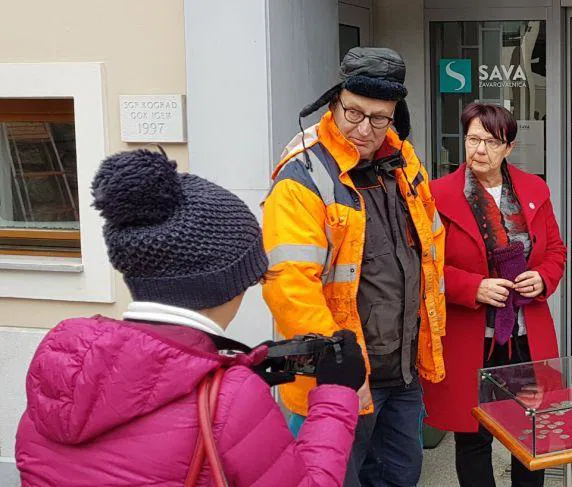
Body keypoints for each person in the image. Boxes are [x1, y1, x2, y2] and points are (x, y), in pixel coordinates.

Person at [16, 149, 366, 486]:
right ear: (230, 284)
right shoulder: (231, 401)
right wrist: (336, 395)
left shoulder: (56, 374)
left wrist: (237, 367)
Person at [262, 47, 446, 487]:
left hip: (401, 373)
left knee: (401, 476)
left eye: (379, 117)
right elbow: (291, 288)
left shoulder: (404, 162)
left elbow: (431, 248)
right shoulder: (303, 177)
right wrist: (341, 371)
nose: (365, 129)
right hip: (339, 383)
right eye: (354, 112)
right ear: (333, 103)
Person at [424, 103, 567, 487]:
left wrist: (542, 278)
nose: (479, 150)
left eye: (490, 141)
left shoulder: (534, 189)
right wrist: (473, 287)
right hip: (470, 336)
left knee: (530, 433)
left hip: (525, 335)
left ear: (509, 147)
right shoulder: (437, 195)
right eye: (472, 139)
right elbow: (425, 266)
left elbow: (555, 250)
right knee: (472, 438)